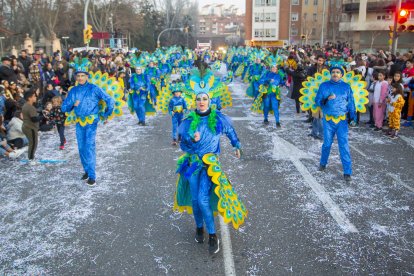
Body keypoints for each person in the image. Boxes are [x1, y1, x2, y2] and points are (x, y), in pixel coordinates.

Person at [174, 89, 247, 255]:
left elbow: (230, 131)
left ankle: (213, 235)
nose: (201, 101)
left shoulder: (218, 118)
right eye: (198, 99)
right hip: (192, 164)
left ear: (209, 100)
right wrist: (193, 140)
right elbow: (183, 146)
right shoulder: (188, 122)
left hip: (210, 165)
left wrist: (236, 145)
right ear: (195, 101)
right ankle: (199, 228)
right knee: (194, 199)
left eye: (204, 98)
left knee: (202, 199)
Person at [61, 64, 114, 186]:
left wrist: (106, 114)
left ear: (87, 76)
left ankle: (92, 176)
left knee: (89, 147)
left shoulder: (94, 88)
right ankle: (86, 170)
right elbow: (64, 108)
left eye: (82, 76)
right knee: (81, 147)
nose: (80, 78)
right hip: (79, 122)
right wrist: (73, 104)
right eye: (78, 76)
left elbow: (110, 100)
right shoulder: (73, 91)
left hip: (91, 122)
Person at [315, 64, 356, 182]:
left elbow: (351, 102)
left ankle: (347, 172)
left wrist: (352, 117)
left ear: (341, 74)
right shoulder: (324, 86)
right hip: (328, 120)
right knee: (327, 144)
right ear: (330, 74)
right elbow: (317, 101)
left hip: (342, 120)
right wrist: (326, 98)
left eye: (338, 72)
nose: (335, 74)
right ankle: (323, 163)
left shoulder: (346, 87)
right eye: (333, 72)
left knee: (344, 145)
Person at [22, 89, 40, 164]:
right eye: (34, 96)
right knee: (33, 143)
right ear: (29, 98)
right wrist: (42, 117)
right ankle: (31, 159)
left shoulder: (26, 105)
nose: (35, 97)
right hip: (30, 127)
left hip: (27, 127)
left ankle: (31, 156)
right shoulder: (30, 107)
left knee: (32, 143)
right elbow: (34, 119)